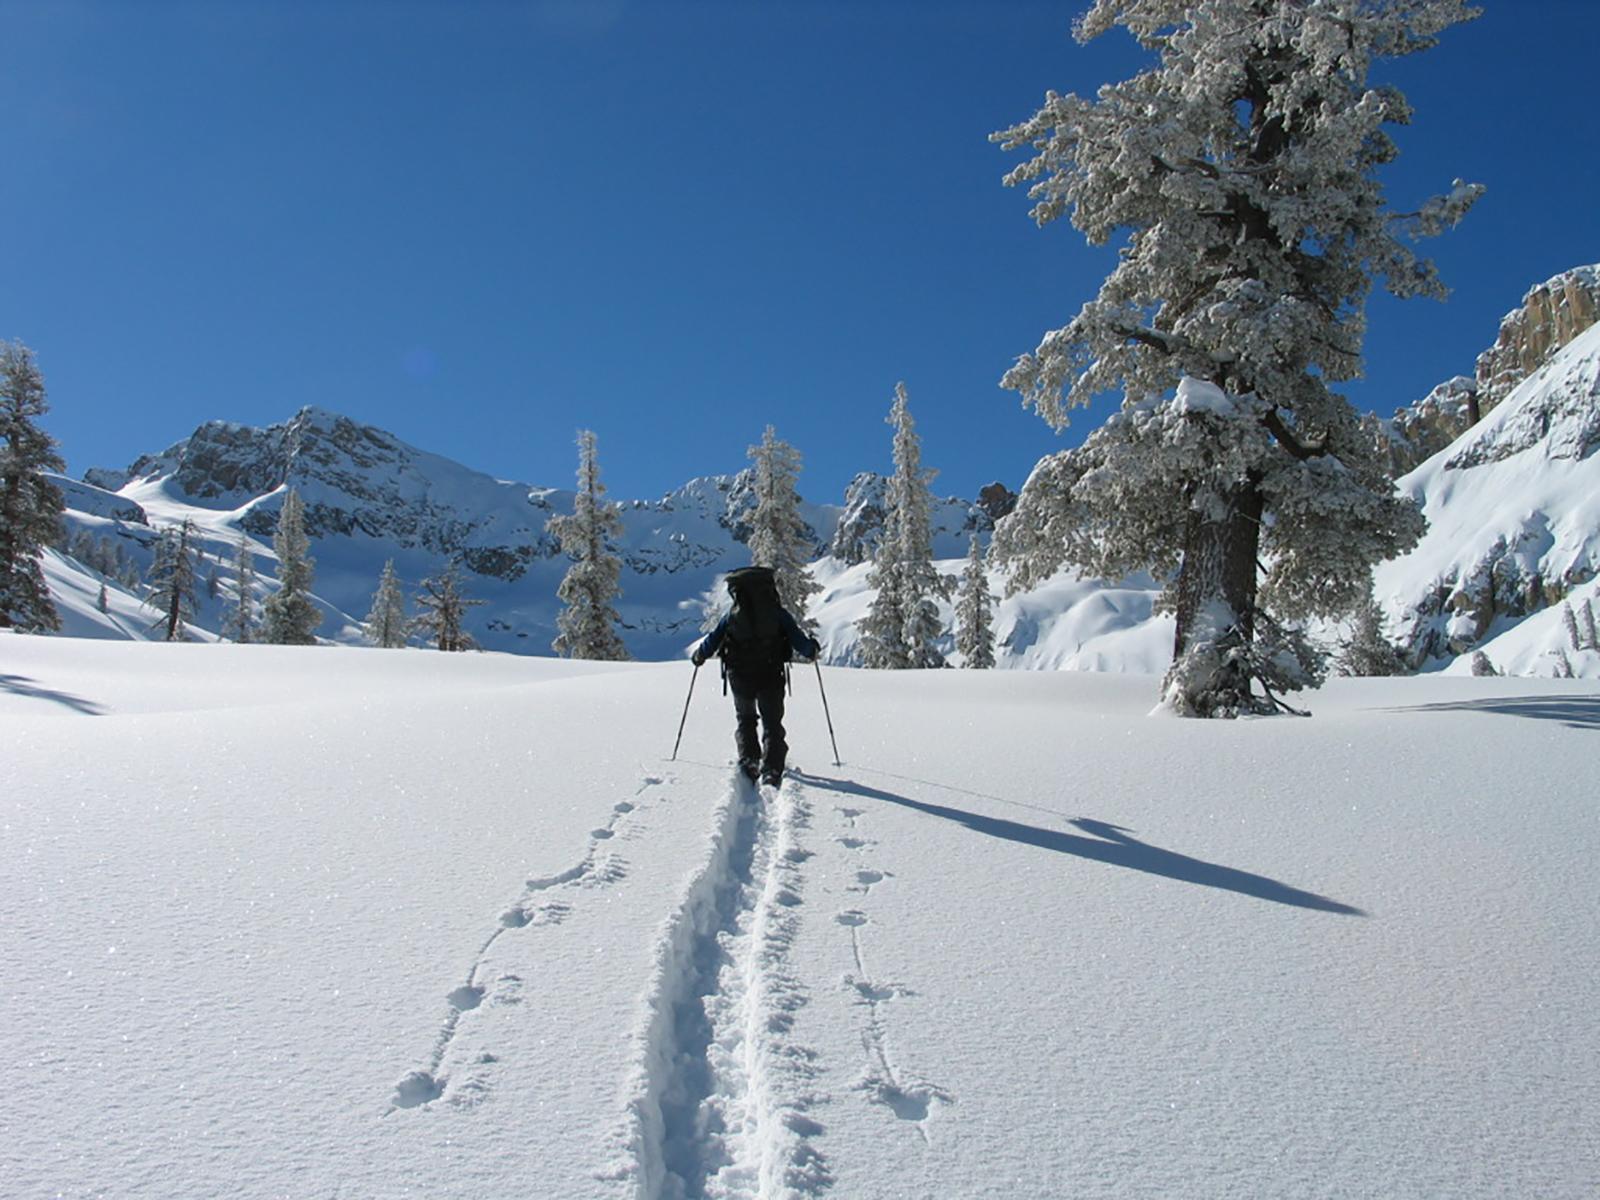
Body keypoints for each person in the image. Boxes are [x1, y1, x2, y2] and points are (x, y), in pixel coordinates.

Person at [692, 566, 821, 786]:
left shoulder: (731, 616)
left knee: (746, 719)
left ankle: (750, 760)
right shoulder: (778, 613)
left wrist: (699, 656)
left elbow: (712, 640)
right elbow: (800, 642)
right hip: (771, 674)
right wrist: (812, 649)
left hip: (739, 675)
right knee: (772, 722)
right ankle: (772, 768)